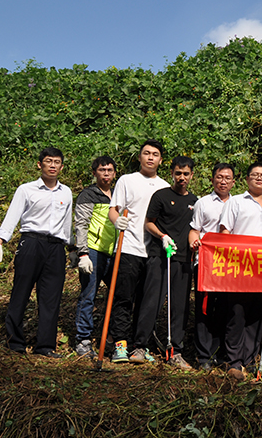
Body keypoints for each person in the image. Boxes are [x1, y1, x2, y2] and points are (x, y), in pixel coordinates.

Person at [0, 147, 73, 357]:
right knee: (21, 291)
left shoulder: (66, 192)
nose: (52, 166)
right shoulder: (26, 190)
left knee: (51, 297)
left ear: (62, 167)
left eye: (57, 162)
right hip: (31, 243)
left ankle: (45, 346)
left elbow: (67, 223)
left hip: (56, 247)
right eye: (48, 161)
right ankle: (14, 342)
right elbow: (12, 216)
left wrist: (72, 248)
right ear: (39, 164)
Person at [219, 163, 262, 381]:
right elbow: (225, 231)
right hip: (239, 268)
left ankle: (249, 359)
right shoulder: (236, 201)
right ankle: (233, 361)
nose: (259, 178)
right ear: (247, 179)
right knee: (236, 313)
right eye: (255, 175)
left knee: (257, 315)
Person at [108, 139, 170, 364]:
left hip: (153, 252)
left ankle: (139, 346)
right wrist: (117, 221)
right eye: (146, 153)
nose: (150, 157)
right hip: (128, 247)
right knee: (124, 298)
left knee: (147, 302)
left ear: (161, 160)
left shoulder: (165, 186)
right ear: (140, 157)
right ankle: (120, 345)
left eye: (155, 154)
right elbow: (113, 209)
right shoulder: (127, 180)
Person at [142, 156, 198, 370]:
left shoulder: (195, 201)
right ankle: (140, 345)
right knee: (152, 301)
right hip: (160, 255)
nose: (182, 177)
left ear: (191, 175)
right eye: (178, 173)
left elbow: (196, 228)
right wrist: (162, 236)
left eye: (186, 174)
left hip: (183, 259)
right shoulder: (161, 195)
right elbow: (149, 223)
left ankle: (175, 350)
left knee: (180, 306)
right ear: (172, 173)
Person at [188, 163, 235, 371]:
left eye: (227, 178)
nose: (223, 181)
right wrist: (193, 242)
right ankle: (203, 355)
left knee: (225, 308)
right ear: (213, 179)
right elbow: (194, 230)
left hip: (230, 265)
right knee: (204, 308)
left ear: (233, 182)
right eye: (219, 177)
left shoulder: (239, 203)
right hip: (206, 263)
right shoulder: (203, 203)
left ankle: (220, 353)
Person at [73, 156, 118, 357]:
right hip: (93, 250)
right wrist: (82, 253)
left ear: (114, 173)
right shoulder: (88, 194)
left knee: (118, 294)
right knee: (88, 294)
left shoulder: (118, 195)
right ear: (94, 173)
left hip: (114, 252)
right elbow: (81, 224)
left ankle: (110, 337)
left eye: (109, 170)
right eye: (102, 170)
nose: (106, 174)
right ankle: (83, 339)